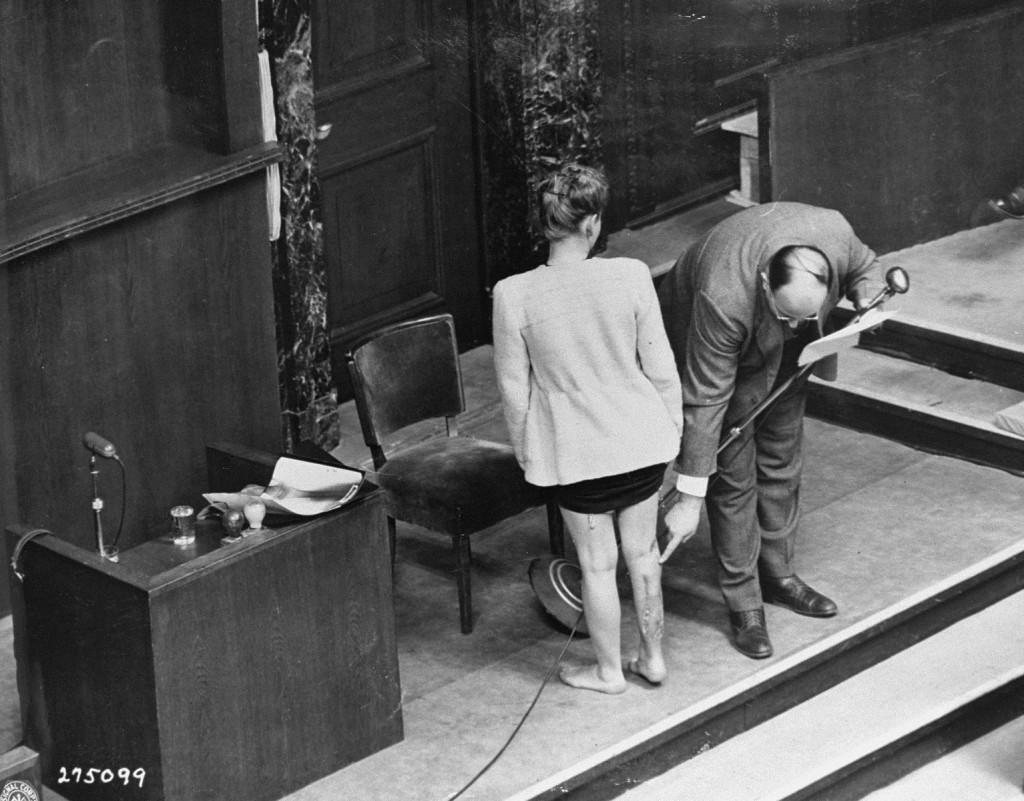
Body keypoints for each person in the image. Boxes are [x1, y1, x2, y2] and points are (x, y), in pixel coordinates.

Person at [657, 202, 879, 659]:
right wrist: (689, 492)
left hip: (785, 351)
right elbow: (706, 398)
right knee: (734, 474)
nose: (798, 325)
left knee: (780, 454)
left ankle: (777, 576)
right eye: (789, 315)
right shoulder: (724, 296)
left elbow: (866, 266)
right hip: (715, 346)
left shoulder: (833, 232)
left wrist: (869, 298)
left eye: (806, 315)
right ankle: (744, 604)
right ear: (764, 282)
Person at [492, 163, 683, 694]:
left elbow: (514, 389)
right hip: (640, 443)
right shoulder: (631, 274)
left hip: (575, 454)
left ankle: (608, 672)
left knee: (597, 567)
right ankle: (654, 659)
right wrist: (670, 429)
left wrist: (530, 451)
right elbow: (661, 366)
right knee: (643, 555)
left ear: (543, 222)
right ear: (593, 224)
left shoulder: (513, 293)